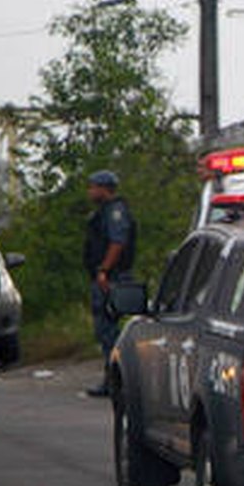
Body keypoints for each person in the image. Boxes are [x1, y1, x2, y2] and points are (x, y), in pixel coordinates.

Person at [83, 170, 137, 397]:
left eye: (93, 187)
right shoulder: (105, 212)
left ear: (104, 188)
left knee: (108, 330)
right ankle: (112, 378)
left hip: (112, 278)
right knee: (105, 329)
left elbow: (117, 243)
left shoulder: (115, 212)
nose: (90, 191)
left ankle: (115, 379)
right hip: (107, 276)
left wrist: (104, 270)